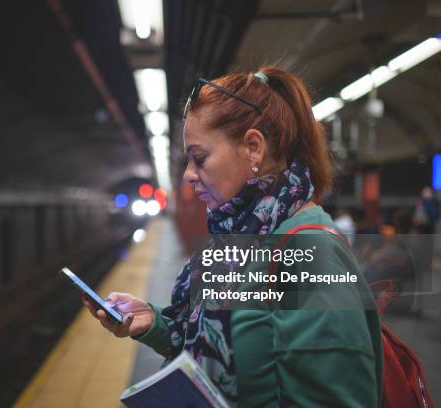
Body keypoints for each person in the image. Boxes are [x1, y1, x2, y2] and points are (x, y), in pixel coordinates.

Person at [82, 67, 382, 406]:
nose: (189, 176)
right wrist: (157, 324)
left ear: (254, 148)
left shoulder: (312, 253)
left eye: (199, 158)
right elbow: (224, 353)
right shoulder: (240, 239)